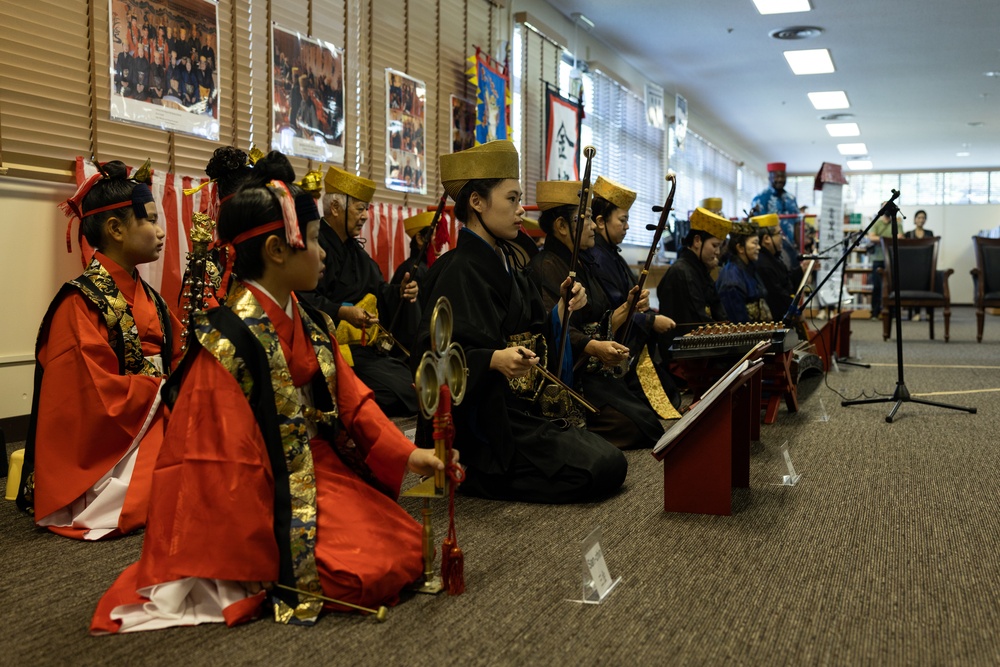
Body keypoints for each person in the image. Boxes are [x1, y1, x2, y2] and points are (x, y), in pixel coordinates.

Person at [90, 151, 448, 634]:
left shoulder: (309, 319)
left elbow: (352, 400)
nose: (323, 255)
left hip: (310, 465)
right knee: (364, 572)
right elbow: (219, 459)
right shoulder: (226, 339)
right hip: (255, 489)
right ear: (278, 251)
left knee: (407, 547)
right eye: (316, 242)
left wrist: (409, 454)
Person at [414, 140, 627, 503]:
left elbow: (536, 330)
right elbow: (431, 357)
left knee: (610, 458)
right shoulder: (456, 270)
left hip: (522, 406)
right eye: (511, 199)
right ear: (477, 203)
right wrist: (492, 359)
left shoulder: (510, 260)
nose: (519, 210)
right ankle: (472, 472)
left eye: (519, 199)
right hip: (486, 417)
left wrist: (563, 308)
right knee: (599, 467)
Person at [16, 160, 181, 540]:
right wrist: (165, 389)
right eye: (151, 221)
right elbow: (90, 390)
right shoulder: (80, 301)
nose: (161, 232)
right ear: (116, 229)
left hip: (152, 407)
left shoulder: (150, 297)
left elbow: (179, 352)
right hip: (115, 438)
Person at [526, 181, 664, 449]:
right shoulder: (544, 268)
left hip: (594, 372)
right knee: (635, 427)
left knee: (648, 421)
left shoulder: (582, 262)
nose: (592, 226)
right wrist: (592, 345)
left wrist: (628, 307)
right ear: (562, 227)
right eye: (585, 219)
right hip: (573, 377)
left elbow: (599, 320)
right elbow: (556, 330)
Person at [299, 166, 419, 417]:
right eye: (360, 208)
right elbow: (303, 297)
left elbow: (380, 290)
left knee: (414, 381)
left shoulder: (356, 253)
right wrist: (342, 312)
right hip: (333, 350)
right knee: (401, 391)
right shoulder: (315, 246)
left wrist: (400, 292)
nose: (365, 216)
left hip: (364, 350)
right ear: (335, 209)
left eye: (367, 209)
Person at [583, 175, 680, 412]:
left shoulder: (611, 254)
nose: (627, 226)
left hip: (632, 339)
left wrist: (649, 309)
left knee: (670, 393)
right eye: (623, 220)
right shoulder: (597, 258)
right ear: (600, 221)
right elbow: (613, 307)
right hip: (612, 350)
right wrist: (652, 320)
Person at [656, 206, 731, 328]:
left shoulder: (698, 269)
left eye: (719, 247)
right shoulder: (681, 272)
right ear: (697, 241)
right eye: (714, 245)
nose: (718, 252)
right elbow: (698, 322)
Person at [716, 221, 772, 323]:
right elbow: (739, 323)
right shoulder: (731, 280)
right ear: (740, 248)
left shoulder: (749, 268)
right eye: (754, 243)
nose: (759, 247)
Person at [751, 162, 800, 270]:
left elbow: (797, 224)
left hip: (790, 247)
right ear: (770, 177)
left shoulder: (791, 198)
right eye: (777, 176)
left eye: (783, 176)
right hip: (770, 249)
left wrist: (800, 247)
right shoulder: (760, 198)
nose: (780, 180)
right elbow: (756, 227)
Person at [754, 213, 798, 322]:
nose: (782, 238)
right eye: (779, 233)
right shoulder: (764, 265)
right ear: (766, 238)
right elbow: (778, 297)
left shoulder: (772, 259)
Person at [867, 202, 902, 320]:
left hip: (892, 259)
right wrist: (889, 239)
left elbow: (900, 237)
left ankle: (893, 313)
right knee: (877, 286)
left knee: (892, 286)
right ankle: (875, 313)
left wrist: (881, 239)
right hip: (878, 258)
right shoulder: (876, 223)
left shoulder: (896, 223)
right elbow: (871, 237)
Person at [904, 209, 934, 320]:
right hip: (913, 267)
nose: (921, 220)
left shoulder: (929, 233)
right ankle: (916, 313)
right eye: (919, 217)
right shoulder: (908, 234)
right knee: (915, 288)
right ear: (915, 220)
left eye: (923, 218)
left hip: (926, 265)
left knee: (928, 287)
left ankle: (928, 313)